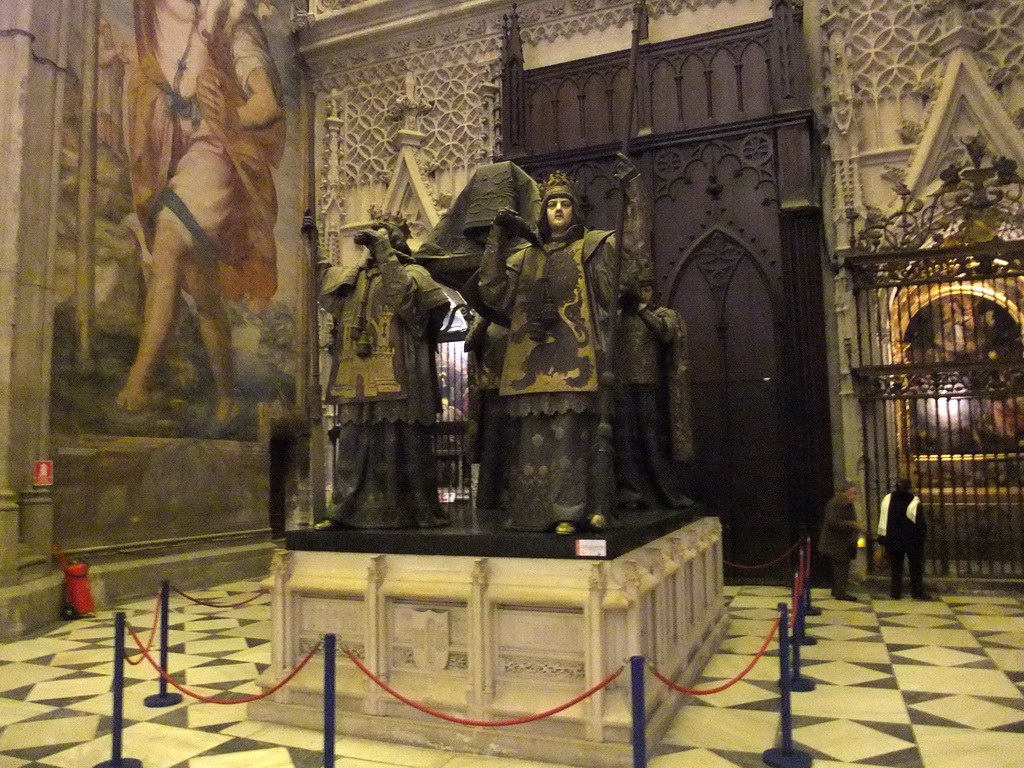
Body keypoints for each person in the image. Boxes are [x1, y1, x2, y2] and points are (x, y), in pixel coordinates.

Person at [118, 0, 285, 423]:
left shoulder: (233, 18)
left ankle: (137, 381)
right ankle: (227, 394)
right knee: (203, 288)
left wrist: (229, 114)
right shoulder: (165, 15)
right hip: (182, 154)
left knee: (169, 241)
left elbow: (266, 106)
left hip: (217, 153)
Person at [477, 171, 629, 533]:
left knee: (569, 439)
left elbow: (620, 281)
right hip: (531, 355)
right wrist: (497, 238)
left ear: (575, 211)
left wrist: (631, 197)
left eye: (565, 203)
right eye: (552, 204)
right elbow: (494, 292)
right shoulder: (524, 256)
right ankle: (531, 511)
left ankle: (570, 511)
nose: (558, 209)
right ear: (542, 211)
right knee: (531, 442)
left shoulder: (592, 247)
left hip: (573, 355)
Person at [315, 218, 450, 529]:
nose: (376, 239)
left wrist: (385, 253)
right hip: (359, 377)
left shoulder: (414, 274)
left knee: (400, 440)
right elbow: (326, 293)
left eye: (385, 234)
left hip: (403, 377)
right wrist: (313, 245)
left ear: (397, 243)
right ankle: (346, 509)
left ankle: (407, 510)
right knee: (354, 441)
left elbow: (408, 304)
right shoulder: (355, 279)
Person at [878, 479, 930, 599]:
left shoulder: (887, 499)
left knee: (896, 568)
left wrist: (882, 539)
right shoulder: (913, 501)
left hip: (893, 538)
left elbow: (883, 519)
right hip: (912, 539)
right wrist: (922, 537)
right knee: (915, 567)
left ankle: (895, 592)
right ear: (909, 488)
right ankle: (917, 592)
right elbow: (920, 522)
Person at [818, 480, 863, 601]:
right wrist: (851, 524)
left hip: (843, 542)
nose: (855, 496)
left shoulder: (847, 504)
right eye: (853, 493)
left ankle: (837, 589)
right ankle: (840, 592)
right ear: (846, 493)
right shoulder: (835, 504)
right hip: (835, 543)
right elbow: (832, 522)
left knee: (841, 567)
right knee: (840, 568)